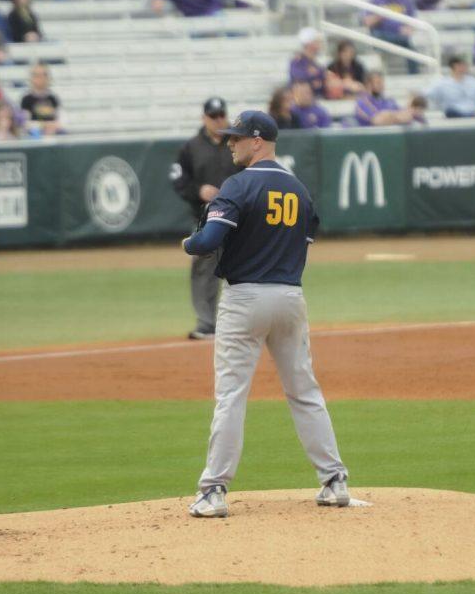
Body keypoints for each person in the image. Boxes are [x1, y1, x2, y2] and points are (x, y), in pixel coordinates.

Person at [181, 109, 351, 518]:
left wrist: (188, 242)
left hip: (244, 300)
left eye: (237, 138)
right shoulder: (299, 189)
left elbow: (209, 241)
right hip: (290, 297)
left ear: (258, 141)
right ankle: (334, 481)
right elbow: (305, 239)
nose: (230, 143)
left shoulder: (237, 186)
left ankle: (214, 490)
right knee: (305, 391)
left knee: (232, 395)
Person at [172, 96, 240, 340]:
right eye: (213, 116)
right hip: (206, 216)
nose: (218, 119)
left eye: (221, 115)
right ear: (204, 118)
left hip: (239, 215)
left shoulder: (236, 143)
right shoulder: (191, 147)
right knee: (204, 267)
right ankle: (206, 322)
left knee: (245, 267)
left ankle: (241, 321)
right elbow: (178, 179)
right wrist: (198, 190)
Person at [364, 0, 419, 74]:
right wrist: (379, 16)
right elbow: (367, 22)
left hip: (400, 36)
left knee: (412, 50)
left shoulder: (405, 1)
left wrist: (408, 29)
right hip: (381, 34)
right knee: (379, 36)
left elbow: (413, 23)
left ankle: (414, 76)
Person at [355, 72, 425, 126]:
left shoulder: (388, 101)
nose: (382, 85)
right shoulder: (362, 102)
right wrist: (398, 116)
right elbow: (378, 120)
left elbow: (407, 115)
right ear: (368, 84)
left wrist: (411, 110)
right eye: (378, 83)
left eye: (382, 82)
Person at [19, 62, 61, 135]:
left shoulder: (53, 98)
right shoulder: (26, 99)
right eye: (37, 75)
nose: (41, 78)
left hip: (52, 133)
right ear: (32, 78)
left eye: (44, 75)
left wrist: (52, 127)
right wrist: (44, 126)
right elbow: (25, 123)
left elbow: (61, 120)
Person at [288, 27, 328, 97]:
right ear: (309, 44)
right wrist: (313, 77)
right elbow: (299, 77)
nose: (320, 44)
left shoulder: (315, 63)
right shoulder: (297, 61)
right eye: (317, 41)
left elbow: (322, 77)